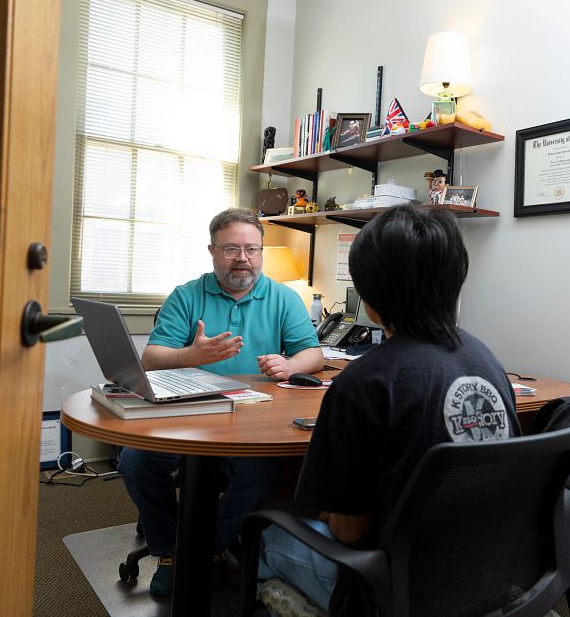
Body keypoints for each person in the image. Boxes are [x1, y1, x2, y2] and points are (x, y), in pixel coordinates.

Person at [255, 204, 519, 613]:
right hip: (488, 570)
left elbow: (348, 531)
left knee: (264, 535)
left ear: (372, 298)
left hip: (393, 591)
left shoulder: (361, 384)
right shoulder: (486, 359)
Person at [119, 207, 323, 596]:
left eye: (251, 249)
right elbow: (152, 358)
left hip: (252, 418)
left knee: (262, 474)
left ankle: (209, 548)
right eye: (231, 249)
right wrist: (191, 356)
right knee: (136, 460)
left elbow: (312, 354)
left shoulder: (283, 298)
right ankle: (169, 550)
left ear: (261, 252)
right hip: (187, 412)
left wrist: (289, 362)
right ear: (212, 251)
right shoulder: (186, 295)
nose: (242, 258)